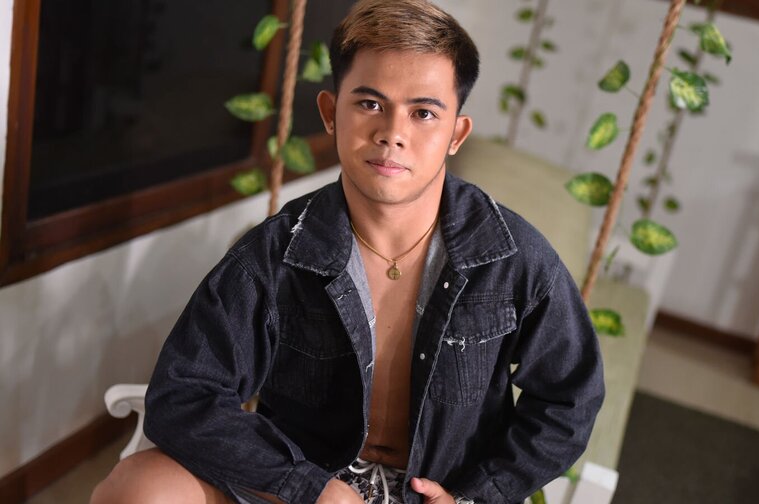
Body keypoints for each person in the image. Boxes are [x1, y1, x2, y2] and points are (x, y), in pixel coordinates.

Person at [91, 1, 603, 503]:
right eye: (370, 104)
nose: (392, 134)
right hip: (303, 487)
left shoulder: (513, 257)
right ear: (330, 113)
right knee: (138, 488)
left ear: (456, 134)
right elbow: (183, 394)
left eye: (423, 113)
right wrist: (307, 486)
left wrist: (475, 496)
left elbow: (569, 399)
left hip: (440, 492)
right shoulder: (275, 252)